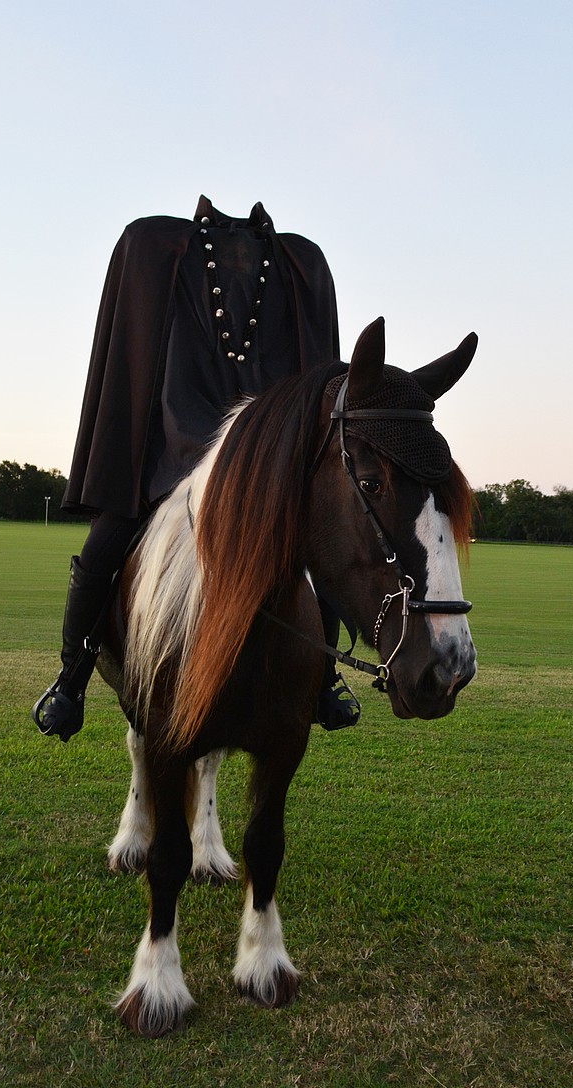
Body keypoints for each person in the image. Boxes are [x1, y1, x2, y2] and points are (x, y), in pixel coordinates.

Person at [32, 194, 360, 741]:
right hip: (172, 453)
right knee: (103, 548)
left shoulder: (300, 266)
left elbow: (313, 374)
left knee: (313, 559)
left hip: (261, 468)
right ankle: (71, 681)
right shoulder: (157, 251)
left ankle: (324, 679)